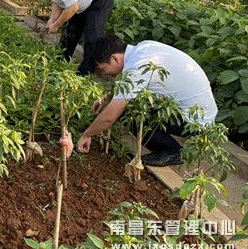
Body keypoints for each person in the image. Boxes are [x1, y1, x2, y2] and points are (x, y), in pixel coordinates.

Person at [76, 34, 217, 167]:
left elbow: (109, 117)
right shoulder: (144, 47)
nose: (104, 73)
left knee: (129, 112)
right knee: (130, 103)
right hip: (202, 113)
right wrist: (107, 99)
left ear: (114, 58)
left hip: (195, 123)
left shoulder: (137, 67)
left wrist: (87, 134)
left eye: (102, 69)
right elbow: (129, 86)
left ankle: (171, 151)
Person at [20, 0, 114, 75]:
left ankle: (85, 73)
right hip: (81, 2)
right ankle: (60, 61)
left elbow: (72, 7)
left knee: (92, 36)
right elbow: (57, 1)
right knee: (70, 32)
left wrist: (56, 25)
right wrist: (52, 20)